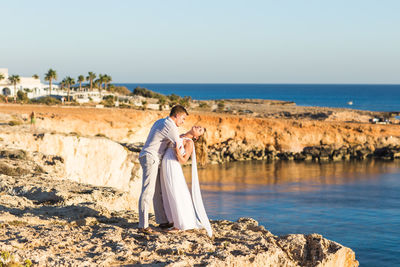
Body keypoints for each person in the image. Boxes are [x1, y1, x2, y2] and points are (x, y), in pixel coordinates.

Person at [138, 105, 188, 234]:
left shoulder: (161, 121)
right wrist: (188, 143)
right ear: (176, 115)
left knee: (157, 191)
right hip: (151, 157)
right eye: (182, 118)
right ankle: (143, 226)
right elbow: (179, 147)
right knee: (148, 191)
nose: (183, 122)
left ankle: (163, 221)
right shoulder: (170, 125)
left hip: (151, 157)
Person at [160, 126, 213, 237]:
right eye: (199, 127)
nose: (198, 127)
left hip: (173, 165)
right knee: (167, 191)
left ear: (196, 137)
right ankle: (173, 220)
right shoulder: (181, 135)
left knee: (175, 192)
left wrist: (177, 151)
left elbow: (183, 160)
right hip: (166, 163)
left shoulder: (189, 142)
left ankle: (179, 225)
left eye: (200, 130)